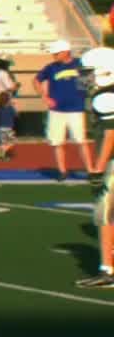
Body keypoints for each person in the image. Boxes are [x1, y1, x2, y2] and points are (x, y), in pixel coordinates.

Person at [76, 46, 114, 286]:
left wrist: (98, 168)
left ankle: (107, 270)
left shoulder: (104, 98)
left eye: (89, 73)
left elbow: (111, 134)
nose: (85, 78)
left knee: (105, 216)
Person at [34, 40, 91, 179]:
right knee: (57, 142)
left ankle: (91, 170)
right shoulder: (51, 67)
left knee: (81, 141)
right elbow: (36, 80)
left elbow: (89, 84)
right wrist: (44, 97)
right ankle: (62, 170)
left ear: (66, 52)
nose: (54, 56)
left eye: (57, 53)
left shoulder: (81, 64)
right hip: (57, 110)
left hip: (76, 109)